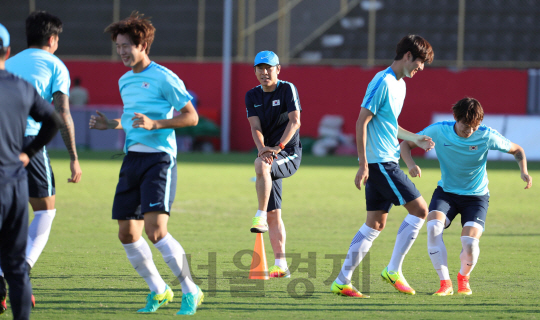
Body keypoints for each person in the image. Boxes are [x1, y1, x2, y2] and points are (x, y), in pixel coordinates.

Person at [89, 12, 202, 315]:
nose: (122, 52)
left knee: (155, 230)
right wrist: (109, 125)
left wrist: (156, 124)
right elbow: (132, 120)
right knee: (127, 233)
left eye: (126, 46)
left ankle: (191, 290)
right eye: (118, 47)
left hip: (159, 161)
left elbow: (191, 116)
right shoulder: (124, 80)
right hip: (132, 160)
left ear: (143, 45)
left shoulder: (165, 77)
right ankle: (159, 290)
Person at [330, 35, 435, 298]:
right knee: (421, 210)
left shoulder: (400, 84)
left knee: (374, 224)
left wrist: (414, 138)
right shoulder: (383, 82)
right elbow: (361, 122)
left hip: (384, 160)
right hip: (380, 163)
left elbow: (388, 124)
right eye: (421, 62)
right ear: (409, 56)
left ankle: (342, 280)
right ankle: (393, 270)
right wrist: (363, 164)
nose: (421, 68)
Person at [400, 97, 533, 296]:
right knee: (433, 227)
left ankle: (463, 277)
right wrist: (411, 165)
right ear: (455, 117)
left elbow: (517, 150)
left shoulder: (487, 135)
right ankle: (445, 283)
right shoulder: (438, 130)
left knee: (469, 243)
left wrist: (523, 171)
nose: (469, 131)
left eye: (474, 126)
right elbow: (405, 145)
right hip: (446, 193)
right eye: (465, 126)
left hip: (476, 197)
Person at [1, 9, 82, 289]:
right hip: (29, 143)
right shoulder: (56, 66)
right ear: (52, 39)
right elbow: (63, 115)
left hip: (3, 141)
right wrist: (74, 158)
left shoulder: (9, 62)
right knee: (45, 211)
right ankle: (18, 270)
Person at [0, 23, 61, 320]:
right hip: (12, 183)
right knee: (16, 268)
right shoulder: (21, 86)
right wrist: (29, 153)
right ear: (7, 51)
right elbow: (54, 121)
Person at [245, 50, 302, 278]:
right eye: (260, 68)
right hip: (268, 153)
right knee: (274, 213)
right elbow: (254, 126)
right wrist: (262, 148)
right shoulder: (251, 95)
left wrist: (277, 148)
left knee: (261, 166)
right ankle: (281, 264)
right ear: (255, 71)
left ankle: (258, 213)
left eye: (269, 68)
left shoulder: (287, 89)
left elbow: (295, 121)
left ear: (278, 69)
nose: (264, 72)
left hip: (287, 152)